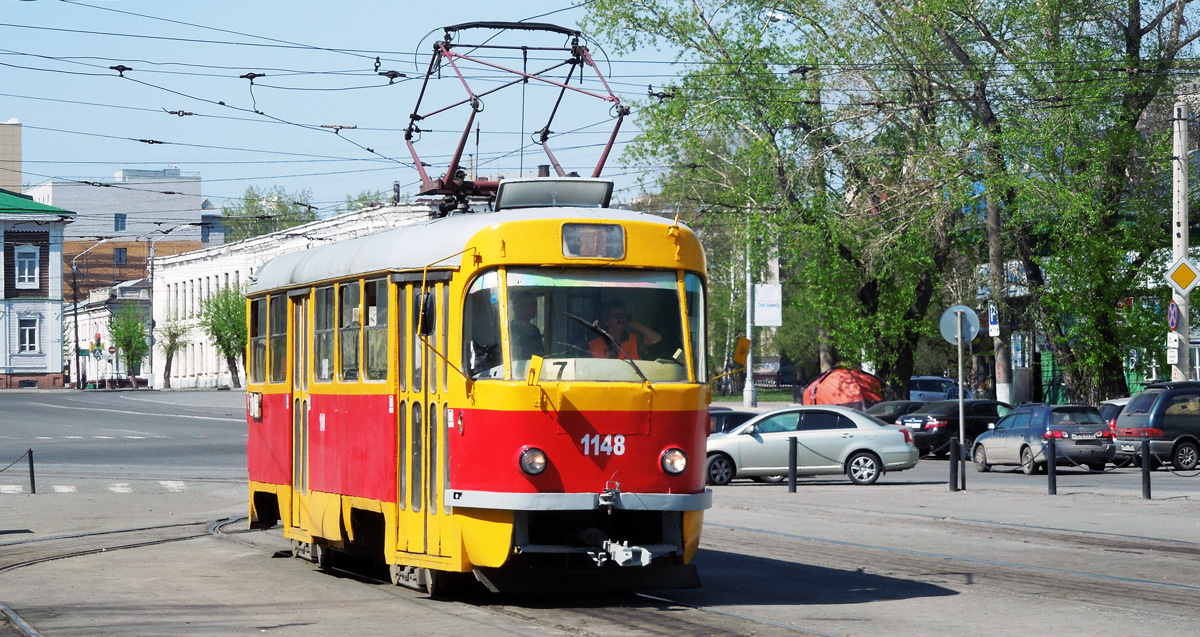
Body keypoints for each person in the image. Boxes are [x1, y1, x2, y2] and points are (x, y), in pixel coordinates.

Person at [589, 300, 661, 360]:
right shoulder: (595, 344)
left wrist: (634, 324)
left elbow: (656, 338)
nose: (621, 319)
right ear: (606, 320)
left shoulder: (634, 339)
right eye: (617, 316)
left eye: (623, 315)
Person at [509, 292, 545, 360]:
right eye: (528, 305)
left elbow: (541, 355)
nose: (533, 308)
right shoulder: (512, 329)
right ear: (517, 308)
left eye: (534, 305)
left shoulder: (535, 330)